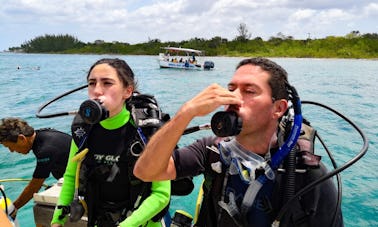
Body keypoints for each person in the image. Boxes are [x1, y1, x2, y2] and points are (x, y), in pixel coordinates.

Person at [134, 57, 344, 226]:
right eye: (231, 89)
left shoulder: (308, 176)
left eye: (249, 91)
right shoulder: (213, 149)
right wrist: (186, 113)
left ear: (278, 108)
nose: (233, 98)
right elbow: (146, 171)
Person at [51, 58, 170, 227]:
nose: (97, 91)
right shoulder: (83, 129)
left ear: (127, 91)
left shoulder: (147, 131)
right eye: (92, 83)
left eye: (107, 83)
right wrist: (57, 220)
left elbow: (161, 194)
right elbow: (71, 176)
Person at [0, 117, 71, 217]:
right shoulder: (42, 134)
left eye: (10, 146)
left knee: (41, 210)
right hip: (73, 180)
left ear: (22, 138)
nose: (11, 150)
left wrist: (13, 209)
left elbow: (34, 186)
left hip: (86, 183)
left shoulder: (45, 149)